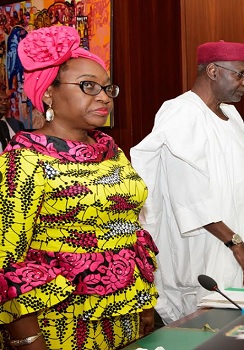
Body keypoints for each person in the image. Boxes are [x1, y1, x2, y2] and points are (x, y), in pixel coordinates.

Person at [0, 26, 158, 349]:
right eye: (88, 86)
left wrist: (145, 305)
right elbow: (6, 264)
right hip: (60, 331)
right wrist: (29, 341)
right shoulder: (24, 160)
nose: (103, 97)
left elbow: (131, 231)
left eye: (106, 88)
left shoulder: (111, 151)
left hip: (124, 324)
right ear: (48, 93)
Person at [131, 40, 244, 324]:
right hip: (211, 247)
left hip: (238, 246)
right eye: (240, 74)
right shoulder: (181, 112)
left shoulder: (231, 115)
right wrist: (237, 243)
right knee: (211, 329)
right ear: (213, 71)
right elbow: (189, 196)